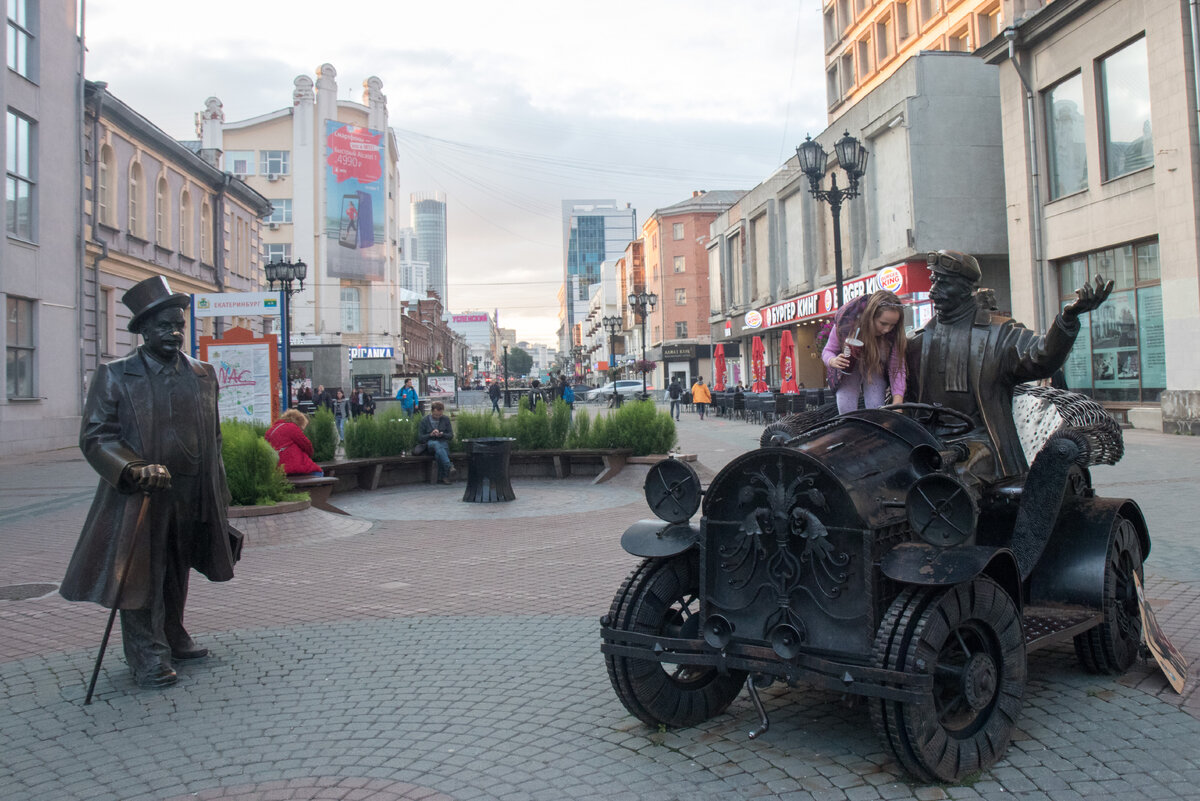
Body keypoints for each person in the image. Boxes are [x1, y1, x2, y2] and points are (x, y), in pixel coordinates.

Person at [60, 276, 241, 689]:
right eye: (163, 325)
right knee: (142, 571)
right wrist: (131, 467)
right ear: (143, 330)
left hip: (192, 489)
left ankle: (173, 633)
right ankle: (147, 654)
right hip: (141, 494)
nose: (174, 333)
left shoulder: (203, 373)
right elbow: (96, 437)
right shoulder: (116, 375)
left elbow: (213, 436)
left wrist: (219, 487)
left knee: (178, 567)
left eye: (178, 324)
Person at [906, 249, 1112, 482]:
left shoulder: (999, 334)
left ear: (966, 289)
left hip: (980, 441)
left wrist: (1067, 320)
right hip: (925, 439)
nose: (934, 291)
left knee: (955, 476)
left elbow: (1042, 358)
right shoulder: (917, 340)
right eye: (934, 281)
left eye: (944, 283)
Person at [822, 289, 908, 414]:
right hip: (848, 369)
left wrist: (898, 401)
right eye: (883, 323)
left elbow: (897, 368)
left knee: (876, 406)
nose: (887, 330)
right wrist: (833, 360)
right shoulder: (846, 325)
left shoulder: (893, 337)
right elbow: (828, 350)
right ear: (870, 317)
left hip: (875, 367)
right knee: (846, 406)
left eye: (892, 325)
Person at [265, 409, 323, 476]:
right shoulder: (292, 427)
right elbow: (307, 446)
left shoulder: (270, 430)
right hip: (293, 467)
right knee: (319, 473)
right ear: (299, 421)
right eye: (302, 429)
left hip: (278, 469)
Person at [418, 400, 457, 484]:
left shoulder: (445, 419)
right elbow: (420, 438)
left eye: (440, 415)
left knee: (441, 451)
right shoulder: (425, 420)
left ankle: (443, 477)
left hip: (442, 441)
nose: (438, 417)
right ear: (432, 411)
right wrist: (430, 434)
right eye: (436, 415)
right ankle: (448, 466)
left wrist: (442, 434)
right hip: (430, 442)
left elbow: (450, 435)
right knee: (437, 445)